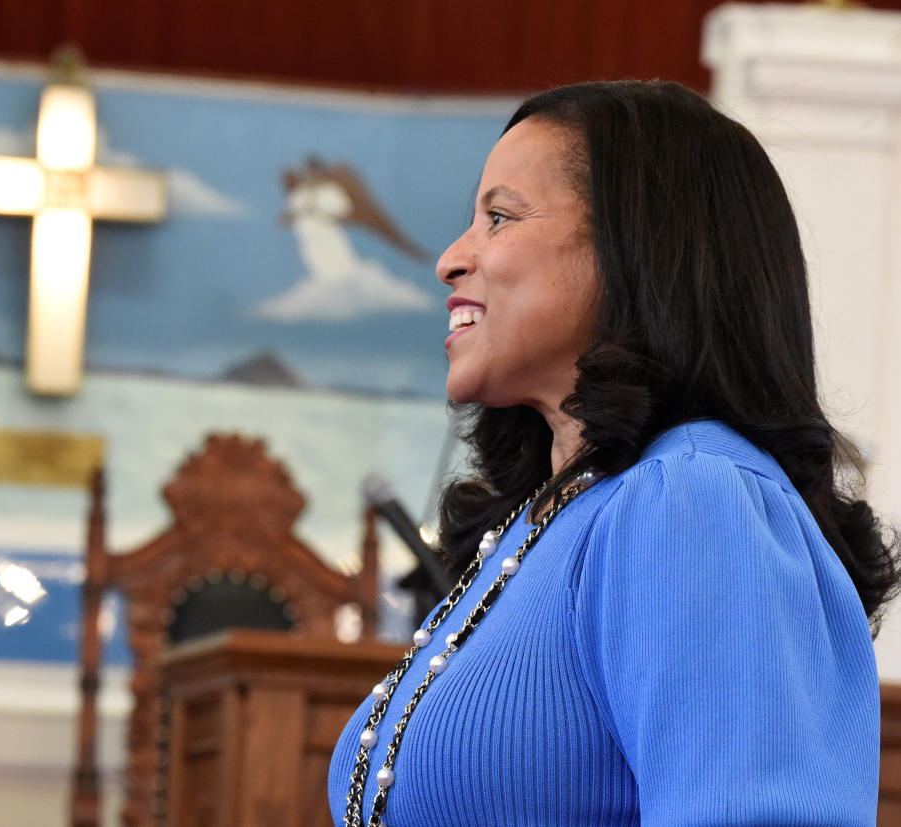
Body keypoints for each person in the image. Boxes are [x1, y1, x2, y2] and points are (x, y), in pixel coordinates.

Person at [328, 80, 898, 826]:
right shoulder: (550, 519)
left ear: (637, 249)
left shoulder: (695, 497)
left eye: (499, 217)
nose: (450, 259)